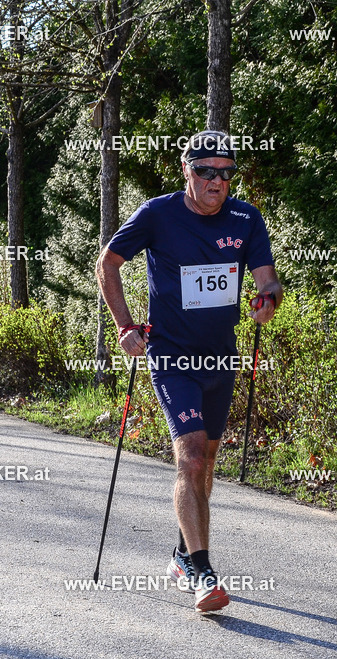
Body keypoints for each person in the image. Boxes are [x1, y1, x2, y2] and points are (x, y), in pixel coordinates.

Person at [95, 130, 282, 611]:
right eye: (206, 171)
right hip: (173, 357)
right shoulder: (158, 214)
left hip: (221, 357)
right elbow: (108, 264)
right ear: (187, 171)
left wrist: (268, 301)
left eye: (226, 172)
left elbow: (268, 280)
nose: (217, 181)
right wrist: (124, 326)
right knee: (192, 458)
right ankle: (202, 572)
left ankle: (182, 554)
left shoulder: (246, 218)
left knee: (208, 466)